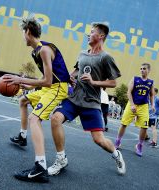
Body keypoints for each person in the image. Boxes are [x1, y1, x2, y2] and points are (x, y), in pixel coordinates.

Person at [48, 22, 126, 176]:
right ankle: (61, 159)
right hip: (75, 98)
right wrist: (68, 77)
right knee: (55, 119)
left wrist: (93, 82)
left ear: (101, 36)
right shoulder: (83, 53)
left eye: (91, 32)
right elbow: (76, 70)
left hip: (91, 103)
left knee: (99, 140)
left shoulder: (106, 57)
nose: (88, 35)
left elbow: (113, 82)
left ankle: (116, 154)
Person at [3, 16, 70, 183]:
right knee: (23, 101)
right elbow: (46, 76)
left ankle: (40, 167)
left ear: (28, 32)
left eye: (23, 33)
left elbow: (48, 81)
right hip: (49, 87)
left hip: (57, 88)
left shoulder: (45, 50)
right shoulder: (36, 52)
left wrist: (21, 80)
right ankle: (22, 136)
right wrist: (32, 86)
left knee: (35, 118)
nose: (22, 36)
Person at [115, 63, 154, 157]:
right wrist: (132, 105)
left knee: (145, 127)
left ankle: (139, 145)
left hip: (144, 106)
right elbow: (128, 92)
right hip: (132, 104)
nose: (142, 70)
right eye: (140, 68)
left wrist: (152, 105)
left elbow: (152, 94)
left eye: (144, 68)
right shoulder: (135, 79)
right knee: (124, 123)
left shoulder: (151, 82)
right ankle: (118, 141)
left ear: (148, 70)